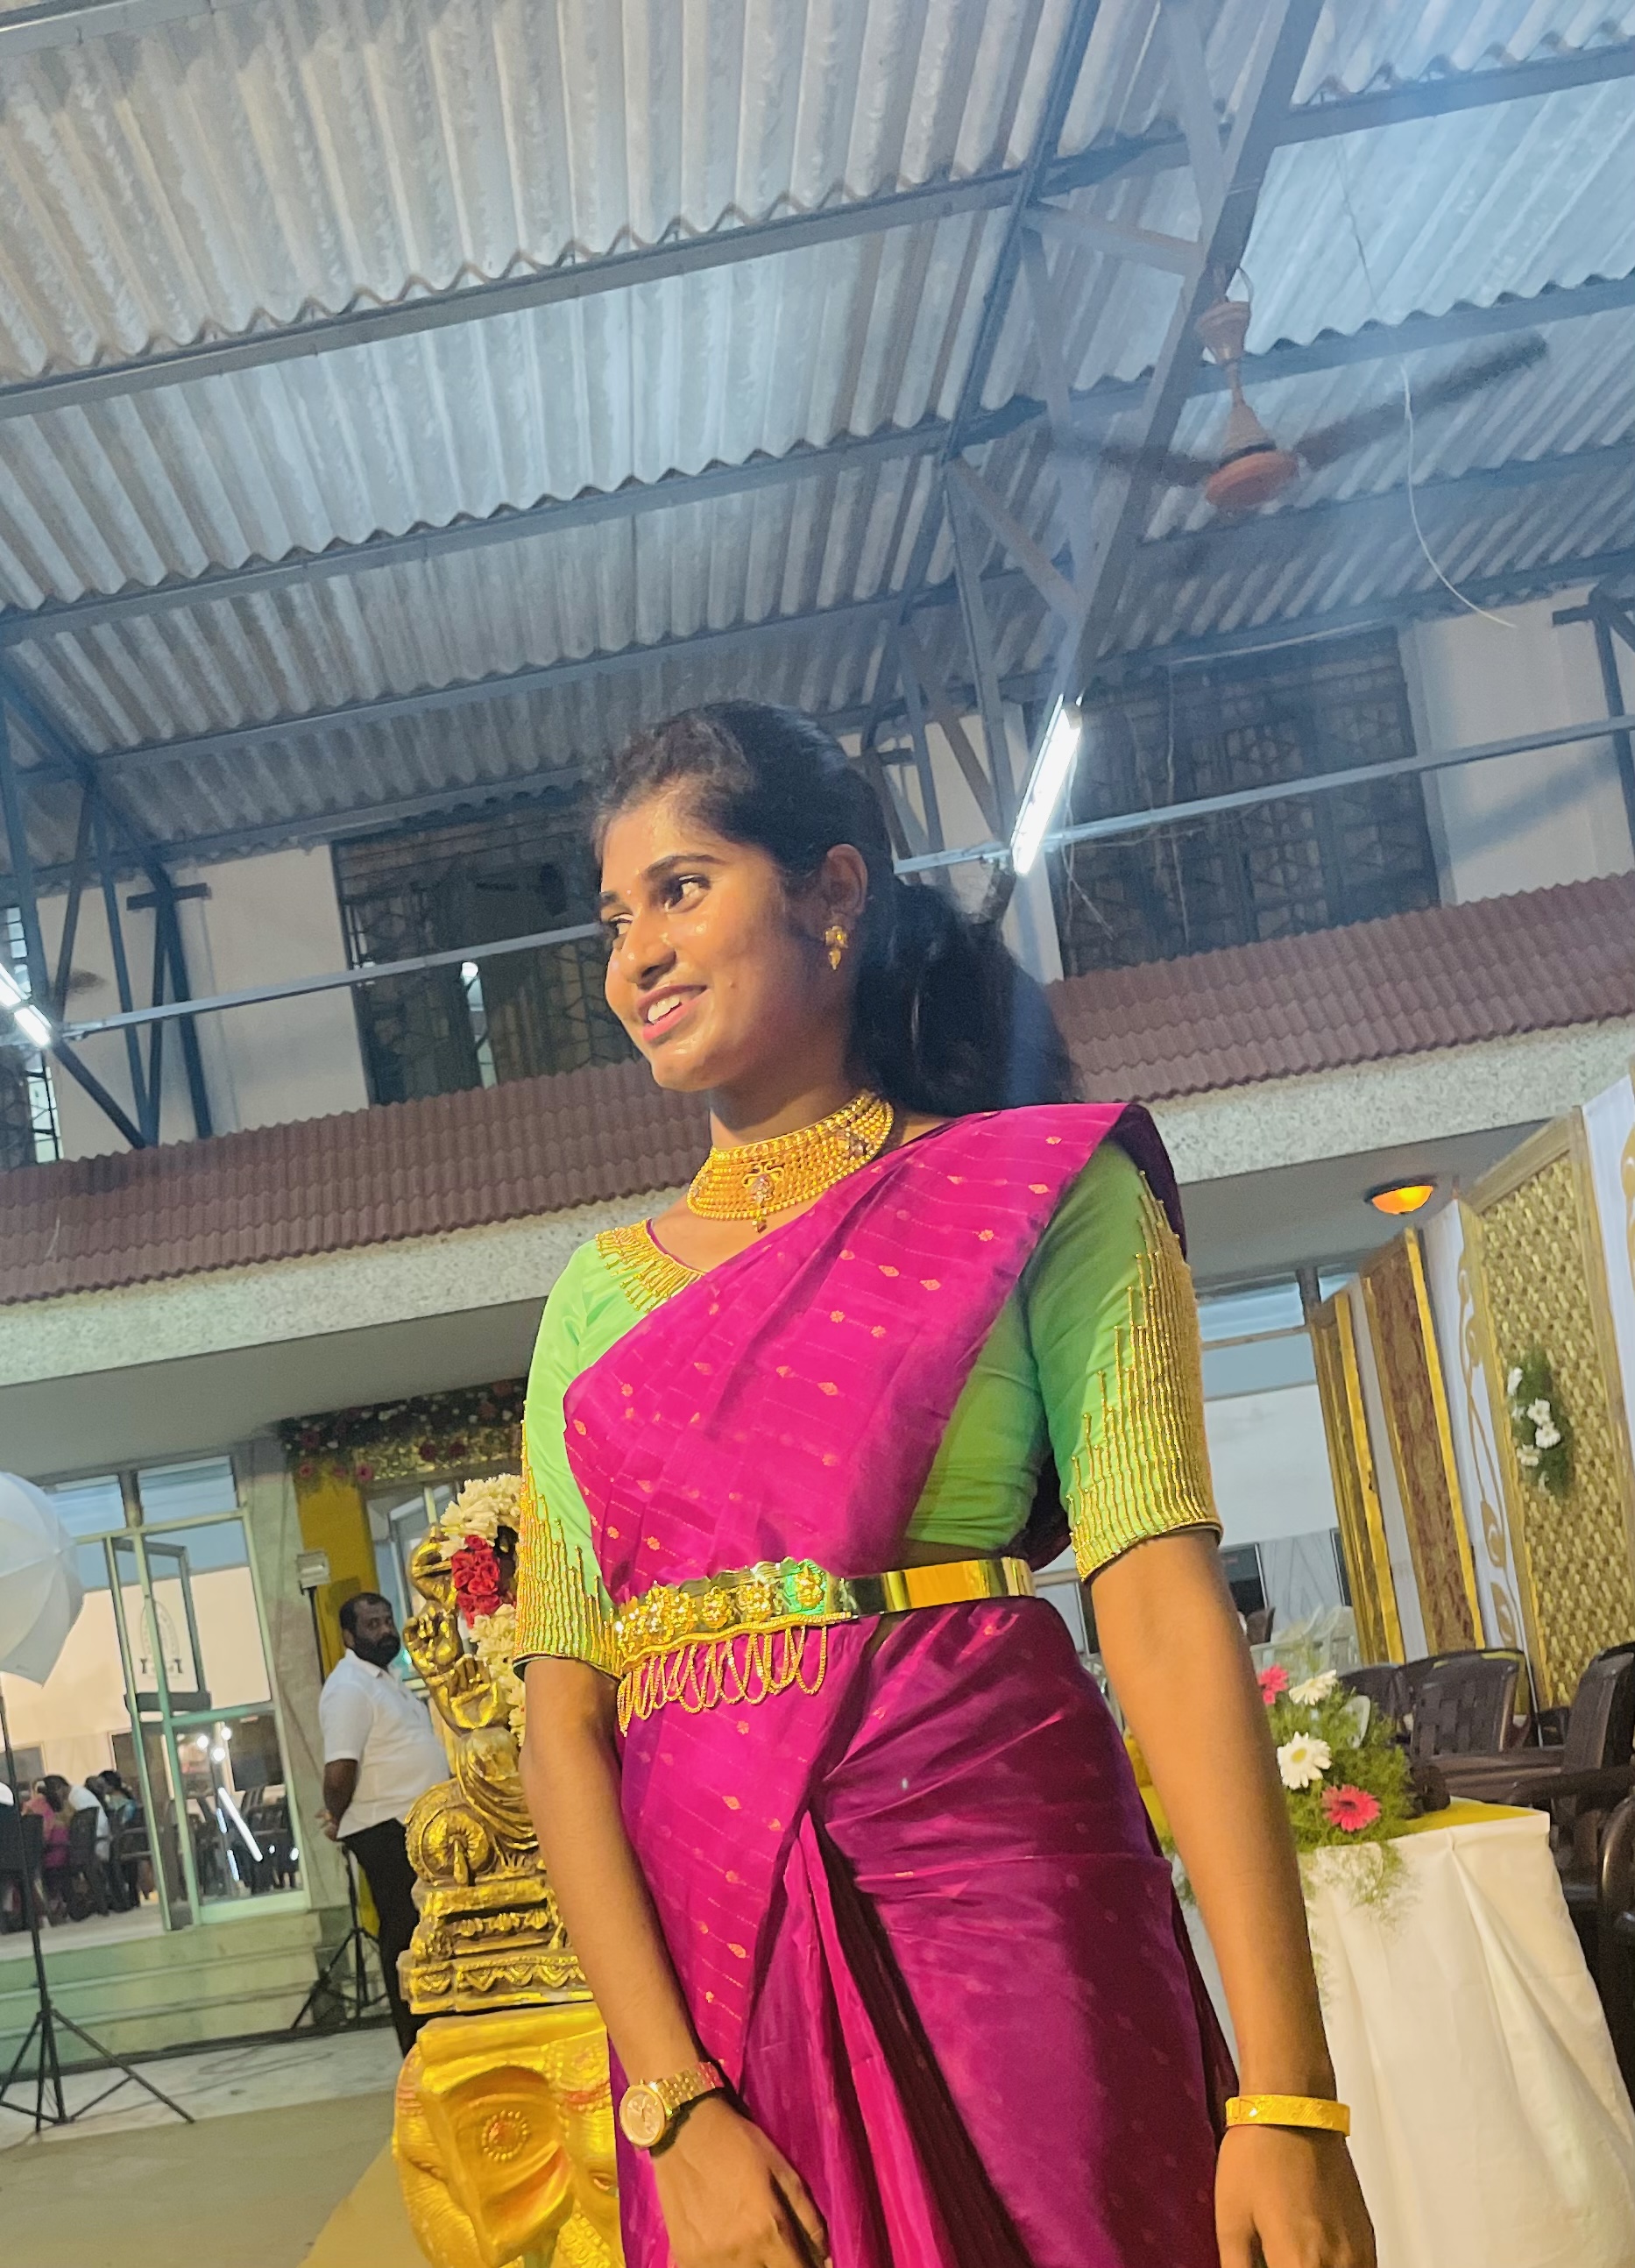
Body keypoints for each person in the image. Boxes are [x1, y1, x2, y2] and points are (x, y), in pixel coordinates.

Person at [515, 702, 1375, 2268]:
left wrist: (1290, 2096)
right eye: (612, 918)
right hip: (715, 1961)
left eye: (682, 889)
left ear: (834, 891)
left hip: (1002, 1882)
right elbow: (562, 1720)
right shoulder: (592, 1300)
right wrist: (673, 2104)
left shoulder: (1041, 1196)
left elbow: (1161, 1618)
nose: (635, 955)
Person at [318, 1590, 448, 2052]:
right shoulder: (349, 1688)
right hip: (386, 1828)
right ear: (349, 1636)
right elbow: (340, 1768)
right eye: (372, 1625)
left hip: (413, 1825)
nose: (386, 1631)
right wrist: (336, 1815)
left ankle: (434, 2030)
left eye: (388, 1621)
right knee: (404, 1934)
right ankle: (415, 2041)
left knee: (423, 1932)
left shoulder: (384, 1679)